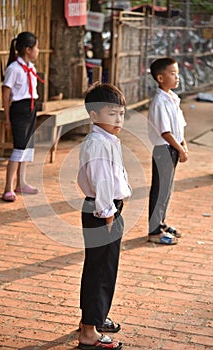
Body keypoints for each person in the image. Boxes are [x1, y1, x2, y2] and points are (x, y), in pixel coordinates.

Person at [77, 82, 132, 350]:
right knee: (99, 271)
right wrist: (108, 215)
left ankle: (94, 318)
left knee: (104, 269)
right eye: (112, 113)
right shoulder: (98, 143)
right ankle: (88, 333)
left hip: (108, 210)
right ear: (94, 115)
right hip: (102, 213)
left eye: (121, 113)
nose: (118, 119)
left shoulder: (107, 139)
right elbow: (102, 183)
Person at [148, 57, 188, 245]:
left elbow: (179, 126)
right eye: (172, 74)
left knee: (167, 189)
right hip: (163, 149)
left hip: (173, 147)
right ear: (160, 78)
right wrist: (180, 149)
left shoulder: (173, 98)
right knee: (159, 190)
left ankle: (161, 222)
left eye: (177, 73)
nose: (177, 77)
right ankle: (154, 231)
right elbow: (165, 131)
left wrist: (183, 144)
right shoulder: (159, 101)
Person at [2, 31, 44, 202]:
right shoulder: (13, 69)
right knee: (18, 149)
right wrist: (6, 118)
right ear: (28, 49)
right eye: (36, 47)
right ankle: (7, 188)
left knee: (27, 148)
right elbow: (6, 94)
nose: (38, 51)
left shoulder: (31, 68)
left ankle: (21, 183)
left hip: (31, 109)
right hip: (19, 110)